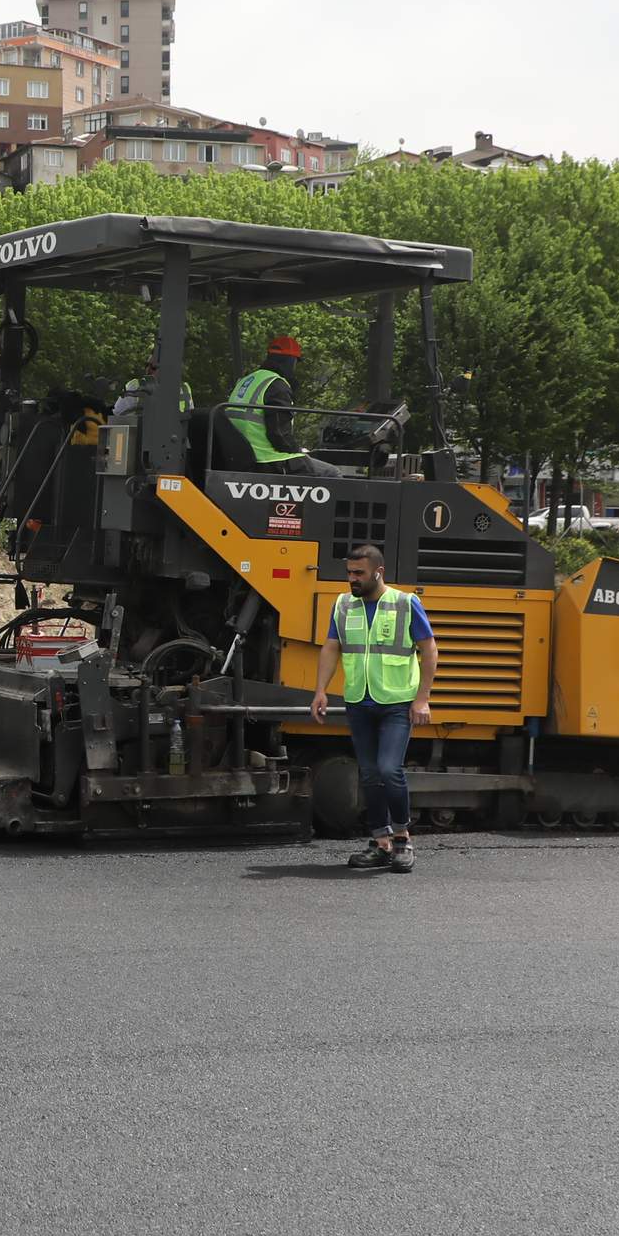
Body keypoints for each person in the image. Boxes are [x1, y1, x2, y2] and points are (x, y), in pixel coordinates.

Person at [307, 542, 438, 872]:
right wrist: (320, 690)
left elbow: (429, 650)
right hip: (358, 701)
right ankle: (380, 842)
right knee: (368, 774)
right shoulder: (343, 605)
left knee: (388, 770)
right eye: (349, 572)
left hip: (396, 703)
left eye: (358, 573)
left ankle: (403, 839)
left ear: (377, 572)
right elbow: (331, 648)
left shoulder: (405, 603)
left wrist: (422, 698)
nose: (352, 579)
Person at [220, 336, 341, 476]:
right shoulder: (277, 385)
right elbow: (279, 435)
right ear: (290, 360)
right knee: (332, 473)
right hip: (269, 459)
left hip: (243, 455)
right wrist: (297, 451)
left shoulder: (247, 380)